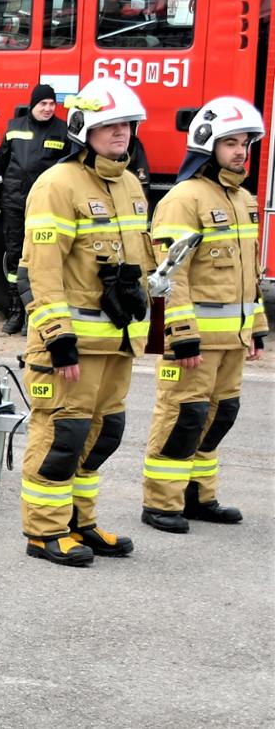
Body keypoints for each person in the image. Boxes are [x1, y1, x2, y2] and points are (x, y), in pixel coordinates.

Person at [14, 77, 156, 567]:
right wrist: (58, 339)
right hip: (69, 347)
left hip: (116, 342)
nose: (121, 132)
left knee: (102, 435)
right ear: (83, 129)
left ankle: (80, 522)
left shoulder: (130, 183)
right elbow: (40, 269)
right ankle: (45, 532)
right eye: (109, 125)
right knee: (62, 437)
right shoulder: (57, 184)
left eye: (126, 124)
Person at [139, 95, 269, 533]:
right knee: (183, 416)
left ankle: (198, 496)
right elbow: (169, 275)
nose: (240, 152)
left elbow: (250, 274)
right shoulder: (183, 199)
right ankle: (161, 503)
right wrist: (180, 334)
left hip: (231, 340)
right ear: (205, 144)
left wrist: (256, 328)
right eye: (230, 143)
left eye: (245, 144)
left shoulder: (244, 199)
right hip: (192, 340)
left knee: (219, 416)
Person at [0, 84, 68, 334]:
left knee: (44, 259)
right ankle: (15, 312)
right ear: (33, 105)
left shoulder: (63, 131)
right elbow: (4, 161)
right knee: (15, 257)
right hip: (15, 202)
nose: (48, 108)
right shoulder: (14, 127)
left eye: (52, 104)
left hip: (46, 205)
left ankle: (36, 316)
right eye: (43, 104)